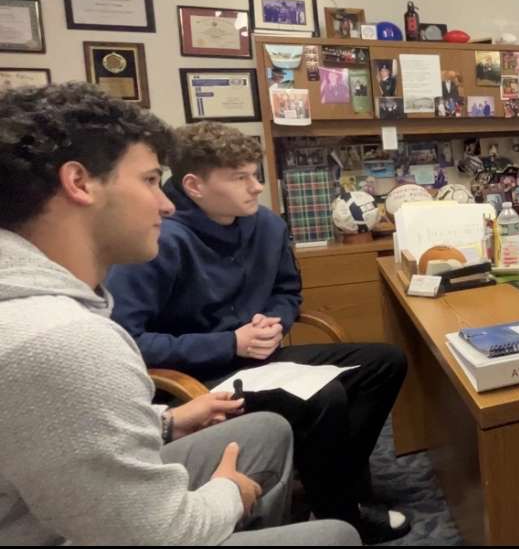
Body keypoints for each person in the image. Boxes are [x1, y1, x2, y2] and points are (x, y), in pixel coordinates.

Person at [0, 82, 359, 546]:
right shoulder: (63, 340)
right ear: (79, 183)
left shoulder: (45, 303)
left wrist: (166, 421)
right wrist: (230, 493)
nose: (167, 204)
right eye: (150, 181)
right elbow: (159, 533)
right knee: (336, 537)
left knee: (267, 430)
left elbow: (58, 431)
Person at [105, 122, 411, 544]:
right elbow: (125, 342)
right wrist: (229, 342)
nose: (256, 187)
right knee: (324, 396)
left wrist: (275, 322)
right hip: (194, 377)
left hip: (259, 358)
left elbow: (287, 291)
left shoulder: (266, 225)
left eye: (256, 174)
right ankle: (342, 509)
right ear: (194, 185)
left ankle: (330, 482)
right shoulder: (158, 238)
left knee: (383, 362)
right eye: (240, 178)